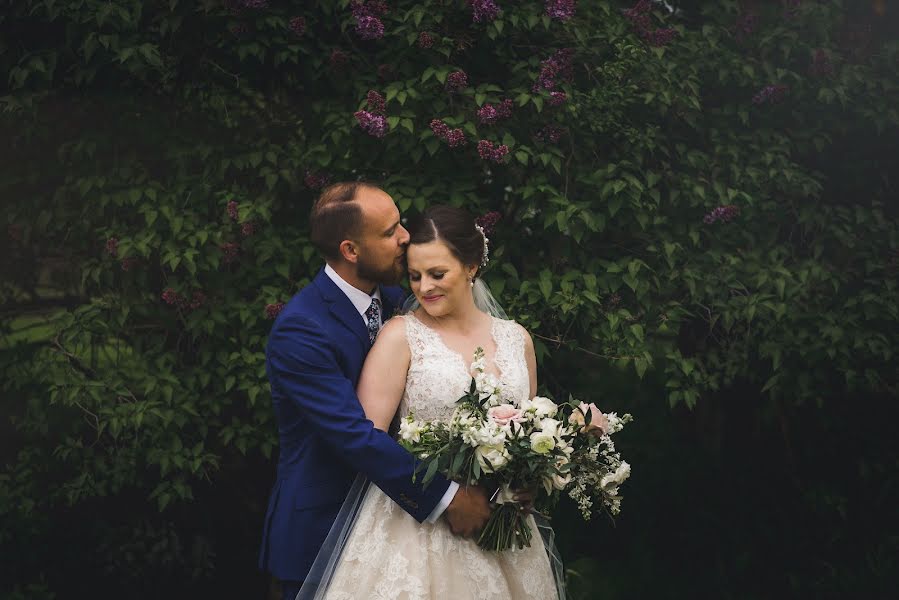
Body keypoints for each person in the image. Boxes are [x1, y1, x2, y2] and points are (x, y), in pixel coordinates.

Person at [297, 205, 562, 599]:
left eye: (438, 274)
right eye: (415, 276)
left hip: (503, 522)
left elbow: (528, 425)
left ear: (471, 266)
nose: (424, 287)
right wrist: (445, 492)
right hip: (417, 530)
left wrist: (529, 481)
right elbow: (369, 439)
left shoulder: (516, 339)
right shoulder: (400, 336)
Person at [259, 184, 492, 600]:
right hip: (323, 530)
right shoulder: (301, 329)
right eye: (389, 232)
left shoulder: (401, 299)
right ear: (351, 250)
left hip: (402, 532)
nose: (406, 235)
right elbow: (355, 435)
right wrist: (449, 498)